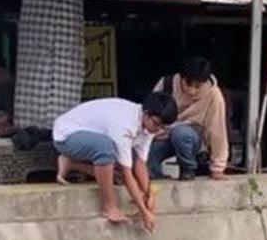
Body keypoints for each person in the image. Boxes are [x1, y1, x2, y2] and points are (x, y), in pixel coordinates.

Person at [53, 92, 177, 231]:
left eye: (162, 127)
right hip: (66, 136)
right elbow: (127, 173)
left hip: (89, 137)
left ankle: (70, 163)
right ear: (146, 114)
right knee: (106, 149)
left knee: (116, 169)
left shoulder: (149, 127)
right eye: (156, 124)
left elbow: (140, 163)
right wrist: (144, 212)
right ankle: (109, 207)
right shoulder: (125, 124)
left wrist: (149, 194)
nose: (157, 130)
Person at [149, 56, 229, 181]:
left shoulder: (214, 95)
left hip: (191, 138)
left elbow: (217, 132)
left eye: (198, 86)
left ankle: (188, 169)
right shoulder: (166, 84)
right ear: (181, 77)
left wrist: (218, 168)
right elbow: (150, 114)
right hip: (163, 135)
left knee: (180, 133)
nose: (192, 91)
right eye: (188, 84)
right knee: (147, 164)